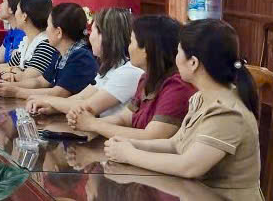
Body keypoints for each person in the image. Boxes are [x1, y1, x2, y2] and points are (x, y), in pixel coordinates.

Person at [103, 19, 262, 200]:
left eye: (178, 51)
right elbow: (175, 144)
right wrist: (131, 143)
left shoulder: (227, 112)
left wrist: (129, 154)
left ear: (193, 62)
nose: (175, 58)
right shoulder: (201, 98)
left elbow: (188, 166)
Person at [67, 15, 196, 140]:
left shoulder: (177, 86)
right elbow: (124, 118)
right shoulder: (146, 78)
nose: (128, 47)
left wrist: (93, 124)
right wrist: (85, 121)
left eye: (131, 42)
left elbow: (152, 136)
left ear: (146, 49)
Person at [26, 8, 143, 117]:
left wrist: (48, 101)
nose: (89, 36)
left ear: (105, 36)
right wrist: (51, 107)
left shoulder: (128, 72)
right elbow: (80, 97)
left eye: (92, 31)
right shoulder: (111, 67)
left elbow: (89, 107)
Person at [0, 3, 98, 98]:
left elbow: (60, 93)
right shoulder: (59, 53)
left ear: (59, 32)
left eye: (48, 26)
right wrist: (6, 86)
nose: (46, 30)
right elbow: (40, 82)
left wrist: (16, 92)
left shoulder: (81, 56)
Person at [0, 0, 55, 82]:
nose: (15, 14)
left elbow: (28, 78)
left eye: (17, 10)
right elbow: (10, 65)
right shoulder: (27, 41)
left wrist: (10, 71)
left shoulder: (45, 44)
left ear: (24, 16)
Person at [0, 0, 28, 67]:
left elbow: (13, 66)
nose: (0, 5)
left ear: (11, 9)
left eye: (3, 1)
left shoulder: (23, 35)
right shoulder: (12, 32)